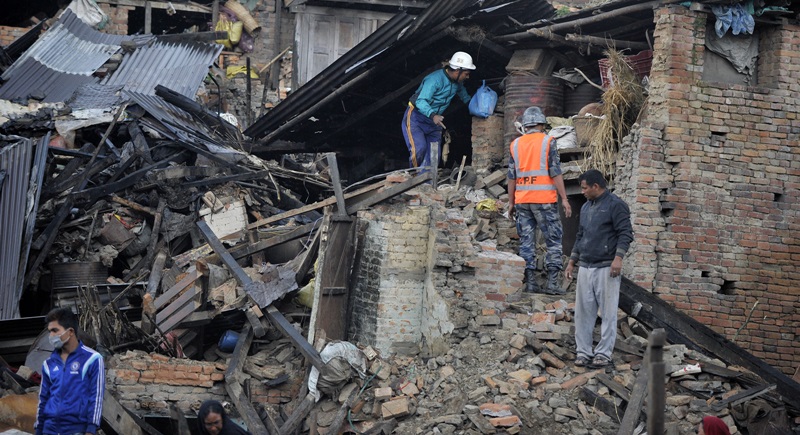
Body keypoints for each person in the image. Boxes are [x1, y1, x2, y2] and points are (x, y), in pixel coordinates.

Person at [565, 169, 633, 369]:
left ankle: (603, 353)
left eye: (585, 188)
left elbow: (625, 233)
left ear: (596, 186)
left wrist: (618, 258)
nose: (582, 191)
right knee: (583, 312)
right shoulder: (586, 207)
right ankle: (583, 352)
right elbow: (580, 235)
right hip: (585, 266)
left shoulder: (616, 205)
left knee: (609, 312)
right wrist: (572, 261)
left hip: (606, 267)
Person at [507, 106, 572, 294]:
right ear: (542, 124)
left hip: (522, 201)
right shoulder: (547, 142)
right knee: (553, 240)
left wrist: (511, 203)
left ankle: (531, 282)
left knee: (526, 242)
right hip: (543, 200)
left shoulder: (515, 144)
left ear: (526, 125)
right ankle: (552, 284)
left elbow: (511, 176)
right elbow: (555, 171)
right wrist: (565, 198)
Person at [401, 51, 475, 170]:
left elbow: (465, 97)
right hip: (416, 117)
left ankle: (429, 183)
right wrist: (433, 115)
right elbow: (420, 101)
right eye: (466, 74)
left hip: (435, 121)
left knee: (434, 155)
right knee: (419, 149)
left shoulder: (457, 83)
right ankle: (414, 178)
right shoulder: (434, 79)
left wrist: (476, 107)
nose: (467, 77)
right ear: (457, 71)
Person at [35, 308, 104, 435]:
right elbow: (43, 398)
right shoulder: (48, 364)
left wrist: (91, 429)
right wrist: (39, 430)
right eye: (50, 331)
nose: (51, 336)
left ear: (70, 331)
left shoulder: (92, 359)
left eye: (55, 330)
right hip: (49, 430)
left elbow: (96, 397)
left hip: (76, 429)